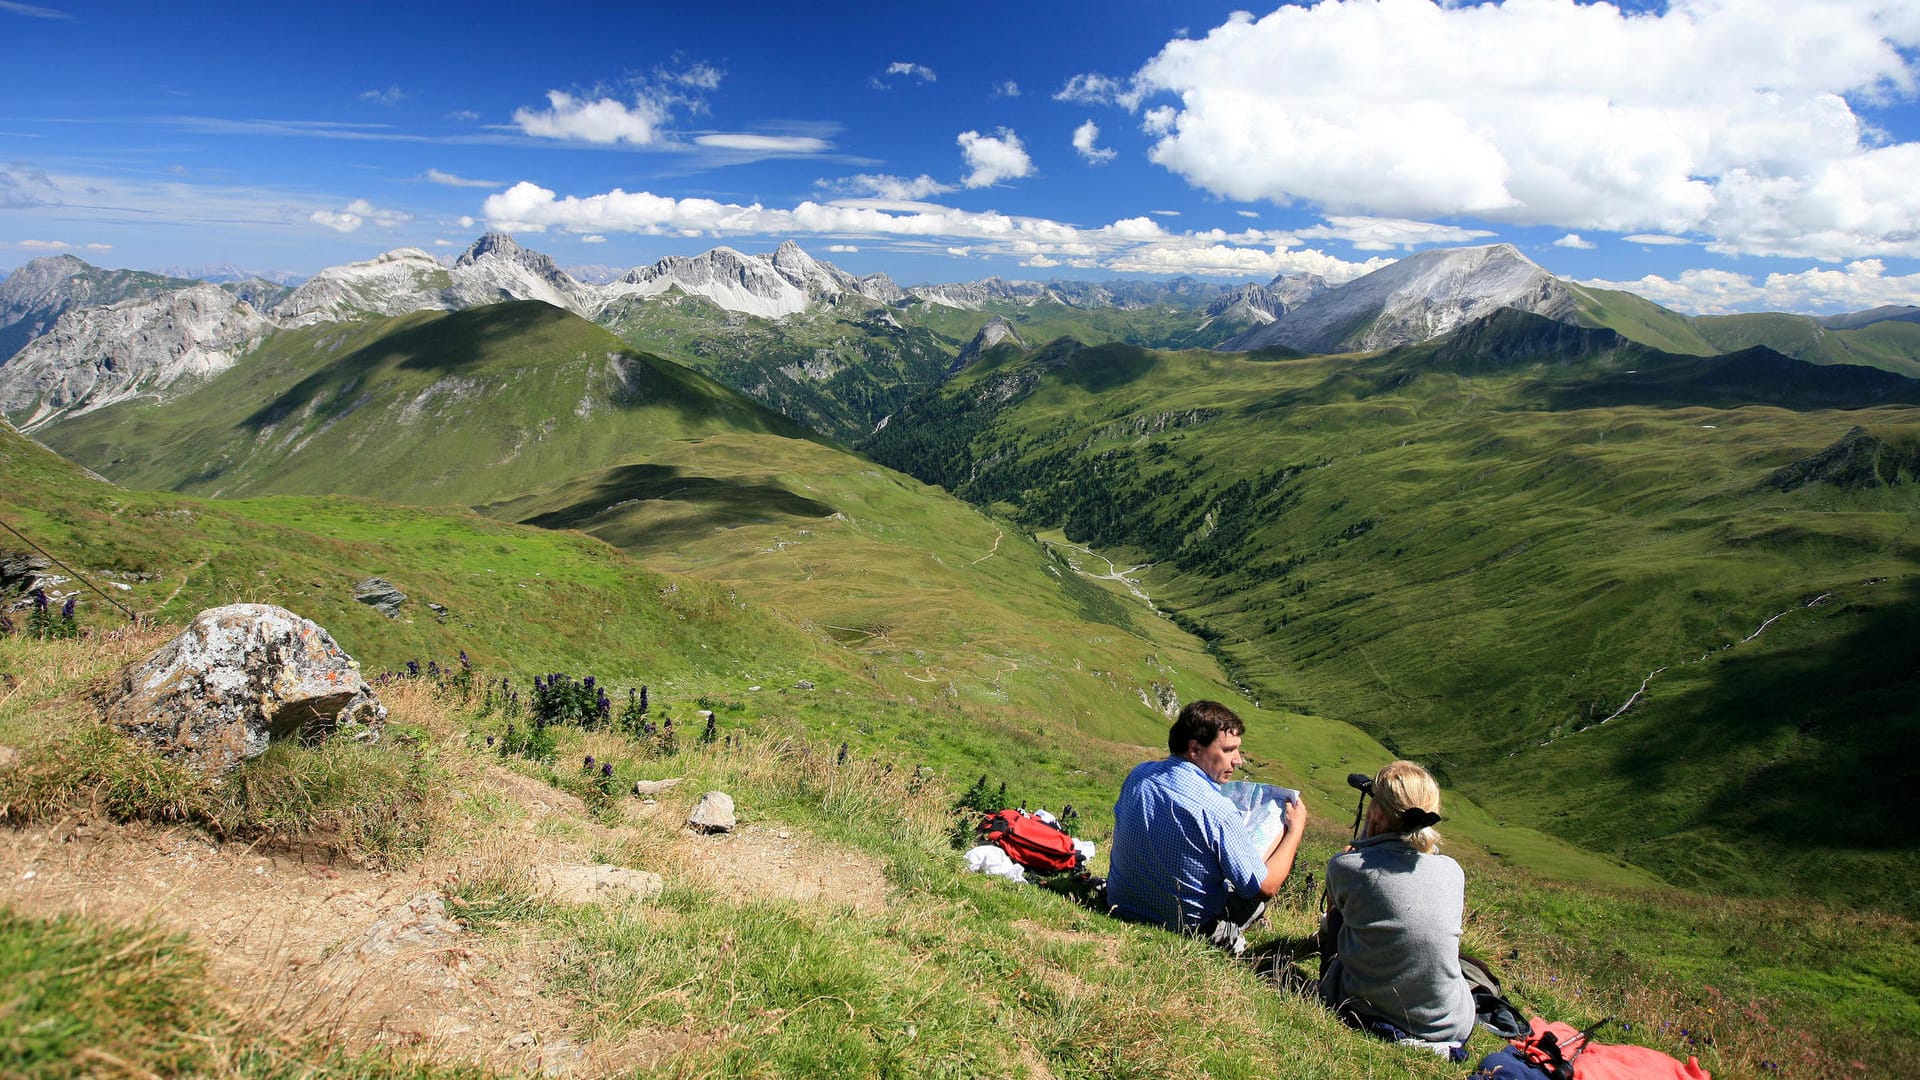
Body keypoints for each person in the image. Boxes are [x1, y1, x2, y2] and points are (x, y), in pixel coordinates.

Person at [1105, 700, 1308, 955]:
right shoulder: (1217, 810)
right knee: (1253, 892)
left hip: (1121, 904)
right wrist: (1295, 830)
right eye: (1228, 750)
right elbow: (1266, 888)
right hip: (1185, 927)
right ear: (1195, 749)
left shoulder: (1139, 775)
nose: (1239, 760)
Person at [1319, 760, 1476, 1054]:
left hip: (1366, 1009)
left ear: (1376, 812)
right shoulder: (1452, 871)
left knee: (1339, 920)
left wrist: (1363, 842)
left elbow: (1335, 917)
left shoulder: (1346, 868)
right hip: (1450, 1023)